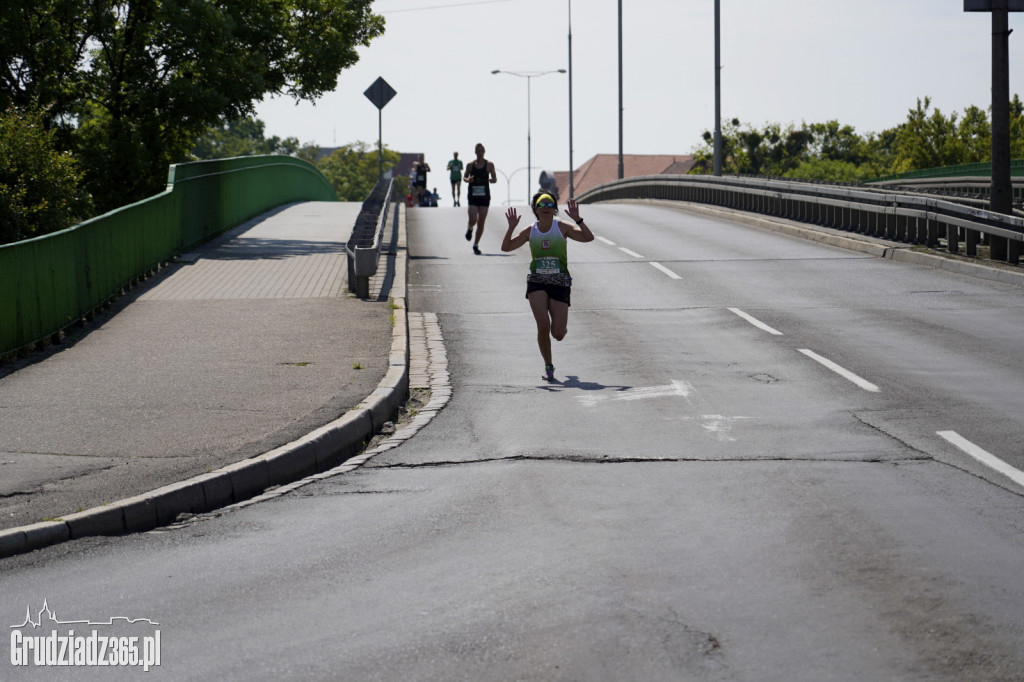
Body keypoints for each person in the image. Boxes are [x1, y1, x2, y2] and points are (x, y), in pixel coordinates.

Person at [501, 191, 594, 381]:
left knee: (558, 334)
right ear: (535, 209)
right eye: (541, 205)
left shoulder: (562, 228)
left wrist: (578, 219)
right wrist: (511, 228)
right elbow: (506, 247)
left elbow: (588, 238)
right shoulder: (530, 231)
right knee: (543, 325)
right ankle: (548, 366)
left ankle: (561, 328)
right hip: (537, 281)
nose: (545, 208)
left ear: (554, 209)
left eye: (549, 204)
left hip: (559, 281)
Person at [463, 143, 497, 254]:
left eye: (481, 150)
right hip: (473, 196)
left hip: (484, 197)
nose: (480, 152)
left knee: (481, 222)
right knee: (473, 219)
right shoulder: (470, 165)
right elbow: (465, 177)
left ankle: (476, 245)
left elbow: (495, 178)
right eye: (478, 150)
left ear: (484, 151)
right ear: (475, 152)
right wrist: (469, 180)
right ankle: (470, 228)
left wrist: (492, 180)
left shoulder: (489, 164)